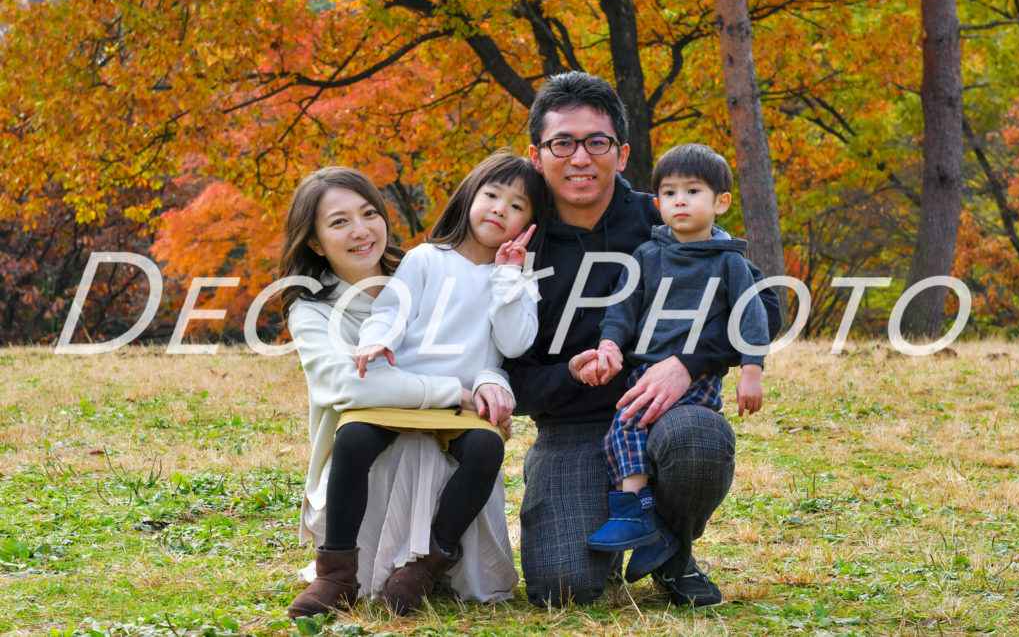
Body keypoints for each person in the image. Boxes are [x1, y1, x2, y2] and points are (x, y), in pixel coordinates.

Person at [500, 71, 782, 608]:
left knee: (698, 439)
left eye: (596, 142)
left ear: (621, 153)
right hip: (572, 426)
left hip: (667, 412)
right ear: (537, 156)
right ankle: (607, 527)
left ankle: (671, 556)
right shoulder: (518, 240)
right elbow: (506, 369)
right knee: (562, 589)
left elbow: (766, 307)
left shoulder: (668, 215)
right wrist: (571, 373)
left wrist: (690, 362)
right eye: (562, 143)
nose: (580, 157)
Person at [277, 161, 537, 617]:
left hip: (453, 411)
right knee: (354, 437)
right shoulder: (424, 260)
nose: (500, 210)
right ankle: (336, 573)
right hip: (405, 402)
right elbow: (389, 316)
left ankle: (428, 563)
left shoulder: (513, 279)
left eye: (518, 206)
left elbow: (512, 346)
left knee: (485, 449)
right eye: (492, 195)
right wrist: (380, 340)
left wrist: (508, 283)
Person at [577, 143, 770, 582]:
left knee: (678, 437)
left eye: (693, 191)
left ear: (721, 202)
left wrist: (751, 371)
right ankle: (639, 514)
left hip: (697, 379)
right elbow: (621, 311)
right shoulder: (647, 255)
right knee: (622, 431)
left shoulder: (729, 261)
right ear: (657, 202)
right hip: (643, 371)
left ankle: (656, 529)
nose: (680, 201)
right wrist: (609, 346)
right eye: (669, 193)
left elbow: (753, 317)